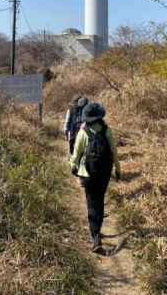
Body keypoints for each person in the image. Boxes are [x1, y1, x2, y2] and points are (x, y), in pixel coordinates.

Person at [70, 102, 121, 252]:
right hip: (104, 172)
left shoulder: (83, 131)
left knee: (91, 202)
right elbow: (114, 152)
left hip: (88, 173)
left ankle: (95, 236)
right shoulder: (106, 130)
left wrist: (73, 166)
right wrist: (118, 170)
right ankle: (97, 229)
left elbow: (76, 153)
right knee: (99, 199)